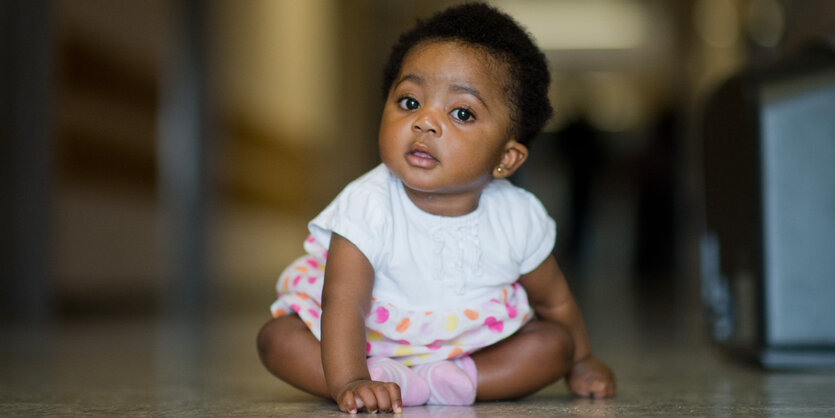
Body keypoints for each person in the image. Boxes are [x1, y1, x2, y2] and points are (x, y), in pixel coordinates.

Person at [257, 3, 615, 414]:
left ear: (507, 158)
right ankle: (379, 382)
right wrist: (351, 379)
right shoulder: (368, 202)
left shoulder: (516, 217)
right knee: (278, 339)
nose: (425, 122)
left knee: (554, 345)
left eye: (461, 112)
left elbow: (555, 302)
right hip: (362, 345)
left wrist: (582, 359)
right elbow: (345, 300)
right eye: (410, 103)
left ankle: (449, 383)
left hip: (472, 350)